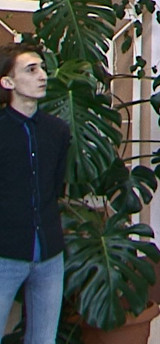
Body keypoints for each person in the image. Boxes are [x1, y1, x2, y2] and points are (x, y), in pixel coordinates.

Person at [0, 42, 70, 344]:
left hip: (49, 254)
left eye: (42, 67)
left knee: (43, 340)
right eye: (31, 69)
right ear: (8, 82)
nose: (42, 75)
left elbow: (55, 187)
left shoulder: (58, 131)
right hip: (4, 254)